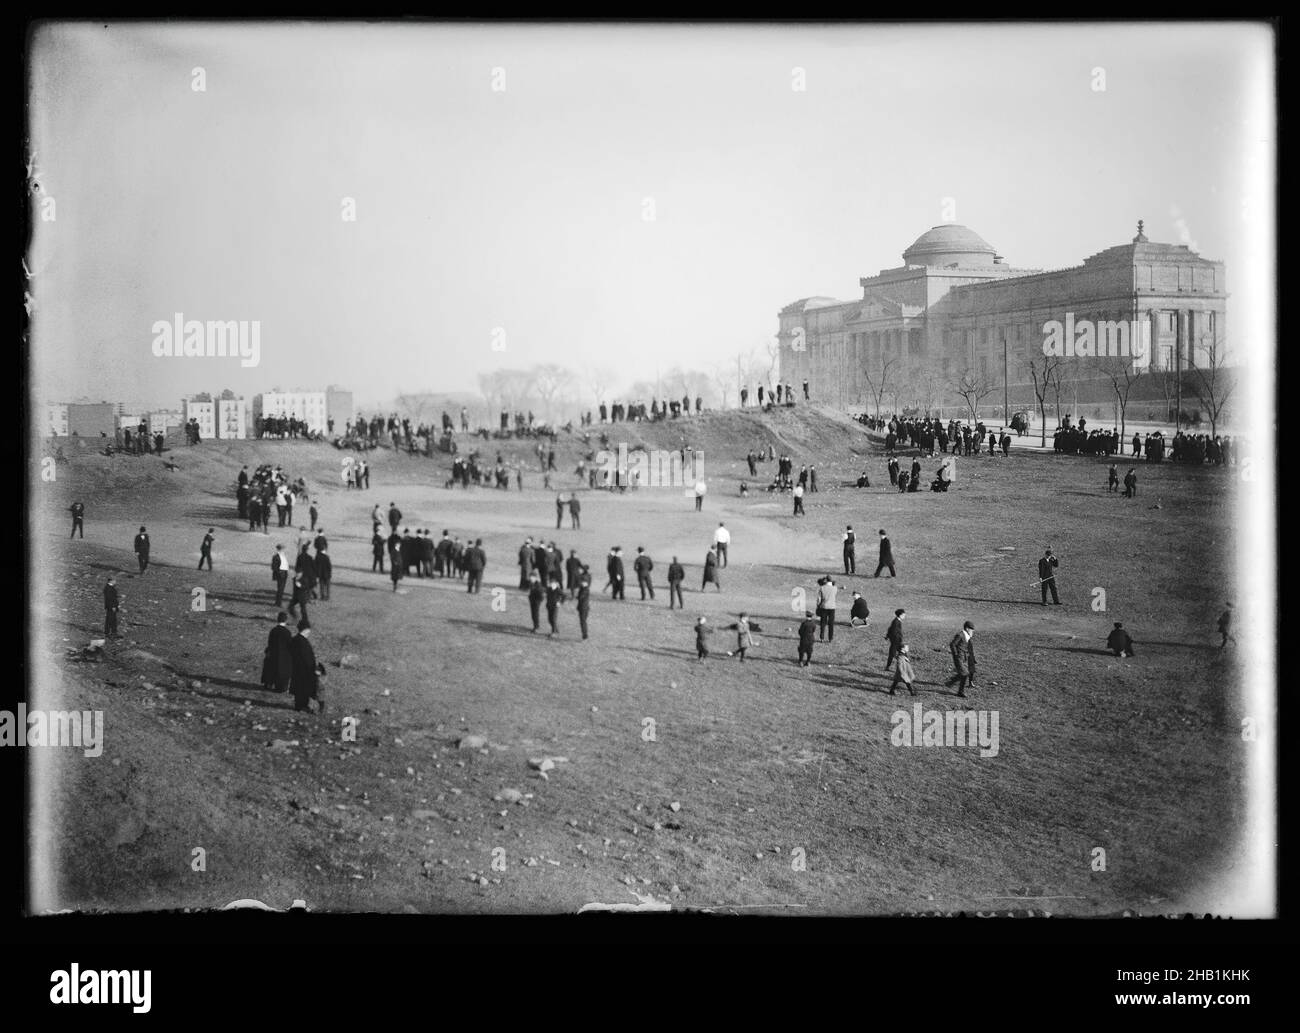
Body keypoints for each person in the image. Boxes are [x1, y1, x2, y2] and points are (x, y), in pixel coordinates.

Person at [290, 619, 325, 714]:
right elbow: (306, 659)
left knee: (300, 689)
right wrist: (314, 670)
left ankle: (300, 705)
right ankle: (301, 706)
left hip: (298, 670)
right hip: (304, 671)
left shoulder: (295, 639)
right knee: (303, 690)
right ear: (306, 630)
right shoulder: (302, 642)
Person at [261, 612, 294, 693]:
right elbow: (290, 645)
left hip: (273, 655)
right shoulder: (287, 632)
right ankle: (280, 687)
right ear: (285, 620)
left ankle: (268, 684)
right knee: (283, 672)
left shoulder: (273, 630)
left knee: (270, 669)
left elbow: (270, 643)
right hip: (283, 657)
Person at [946, 621, 976, 698]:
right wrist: (956, 655)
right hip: (959, 658)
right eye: (971, 629)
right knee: (965, 673)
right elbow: (952, 644)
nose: (972, 631)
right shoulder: (961, 635)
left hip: (963, 658)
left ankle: (951, 683)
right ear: (967, 628)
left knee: (964, 673)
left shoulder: (966, 636)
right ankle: (960, 691)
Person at [816, 576, 838, 642]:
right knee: (831, 624)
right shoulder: (835, 588)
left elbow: (818, 599)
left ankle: (822, 637)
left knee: (823, 623)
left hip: (824, 607)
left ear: (826, 580)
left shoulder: (822, 588)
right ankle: (830, 638)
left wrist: (818, 605)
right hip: (832, 607)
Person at [576, 569, 592, 640]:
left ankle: (585, 634)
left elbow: (581, 597)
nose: (581, 583)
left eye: (583, 582)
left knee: (583, 621)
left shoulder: (585, 589)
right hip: (583, 607)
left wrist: (578, 597)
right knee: (583, 621)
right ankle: (584, 634)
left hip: (584, 608)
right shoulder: (583, 589)